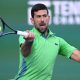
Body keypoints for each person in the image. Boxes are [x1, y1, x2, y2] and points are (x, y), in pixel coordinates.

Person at [15, 3, 80, 80]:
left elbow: (78, 56)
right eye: (38, 17)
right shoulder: (26, 36)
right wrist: (29, 41)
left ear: (48, 18)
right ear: (32, 20)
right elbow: (25, 52)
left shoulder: (58, 41)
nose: (42, 20)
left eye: (44, 16)